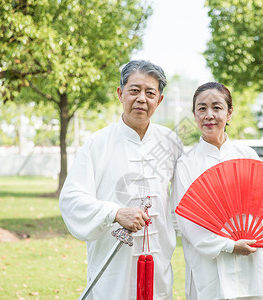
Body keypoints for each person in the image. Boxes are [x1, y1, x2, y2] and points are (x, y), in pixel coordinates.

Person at [59, 60, 183, 299]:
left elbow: (186, 198)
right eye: (134, 90)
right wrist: (114, 212)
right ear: (120, 93)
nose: (141, 99)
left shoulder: (171, 142)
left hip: (158, 265)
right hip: (112, 265)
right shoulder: (98, 144)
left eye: (150, 93)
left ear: (160, 100)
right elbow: (71, 199)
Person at [172, 82, 263, 300]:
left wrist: (249, 235)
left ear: (229, 113)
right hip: (208, 264)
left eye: (217, 107)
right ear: (195, 115)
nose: (209, 115)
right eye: (202, 108)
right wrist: (228, 245)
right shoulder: (186, 164)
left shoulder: (248, 156)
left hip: (249, 262)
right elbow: (187, 222)